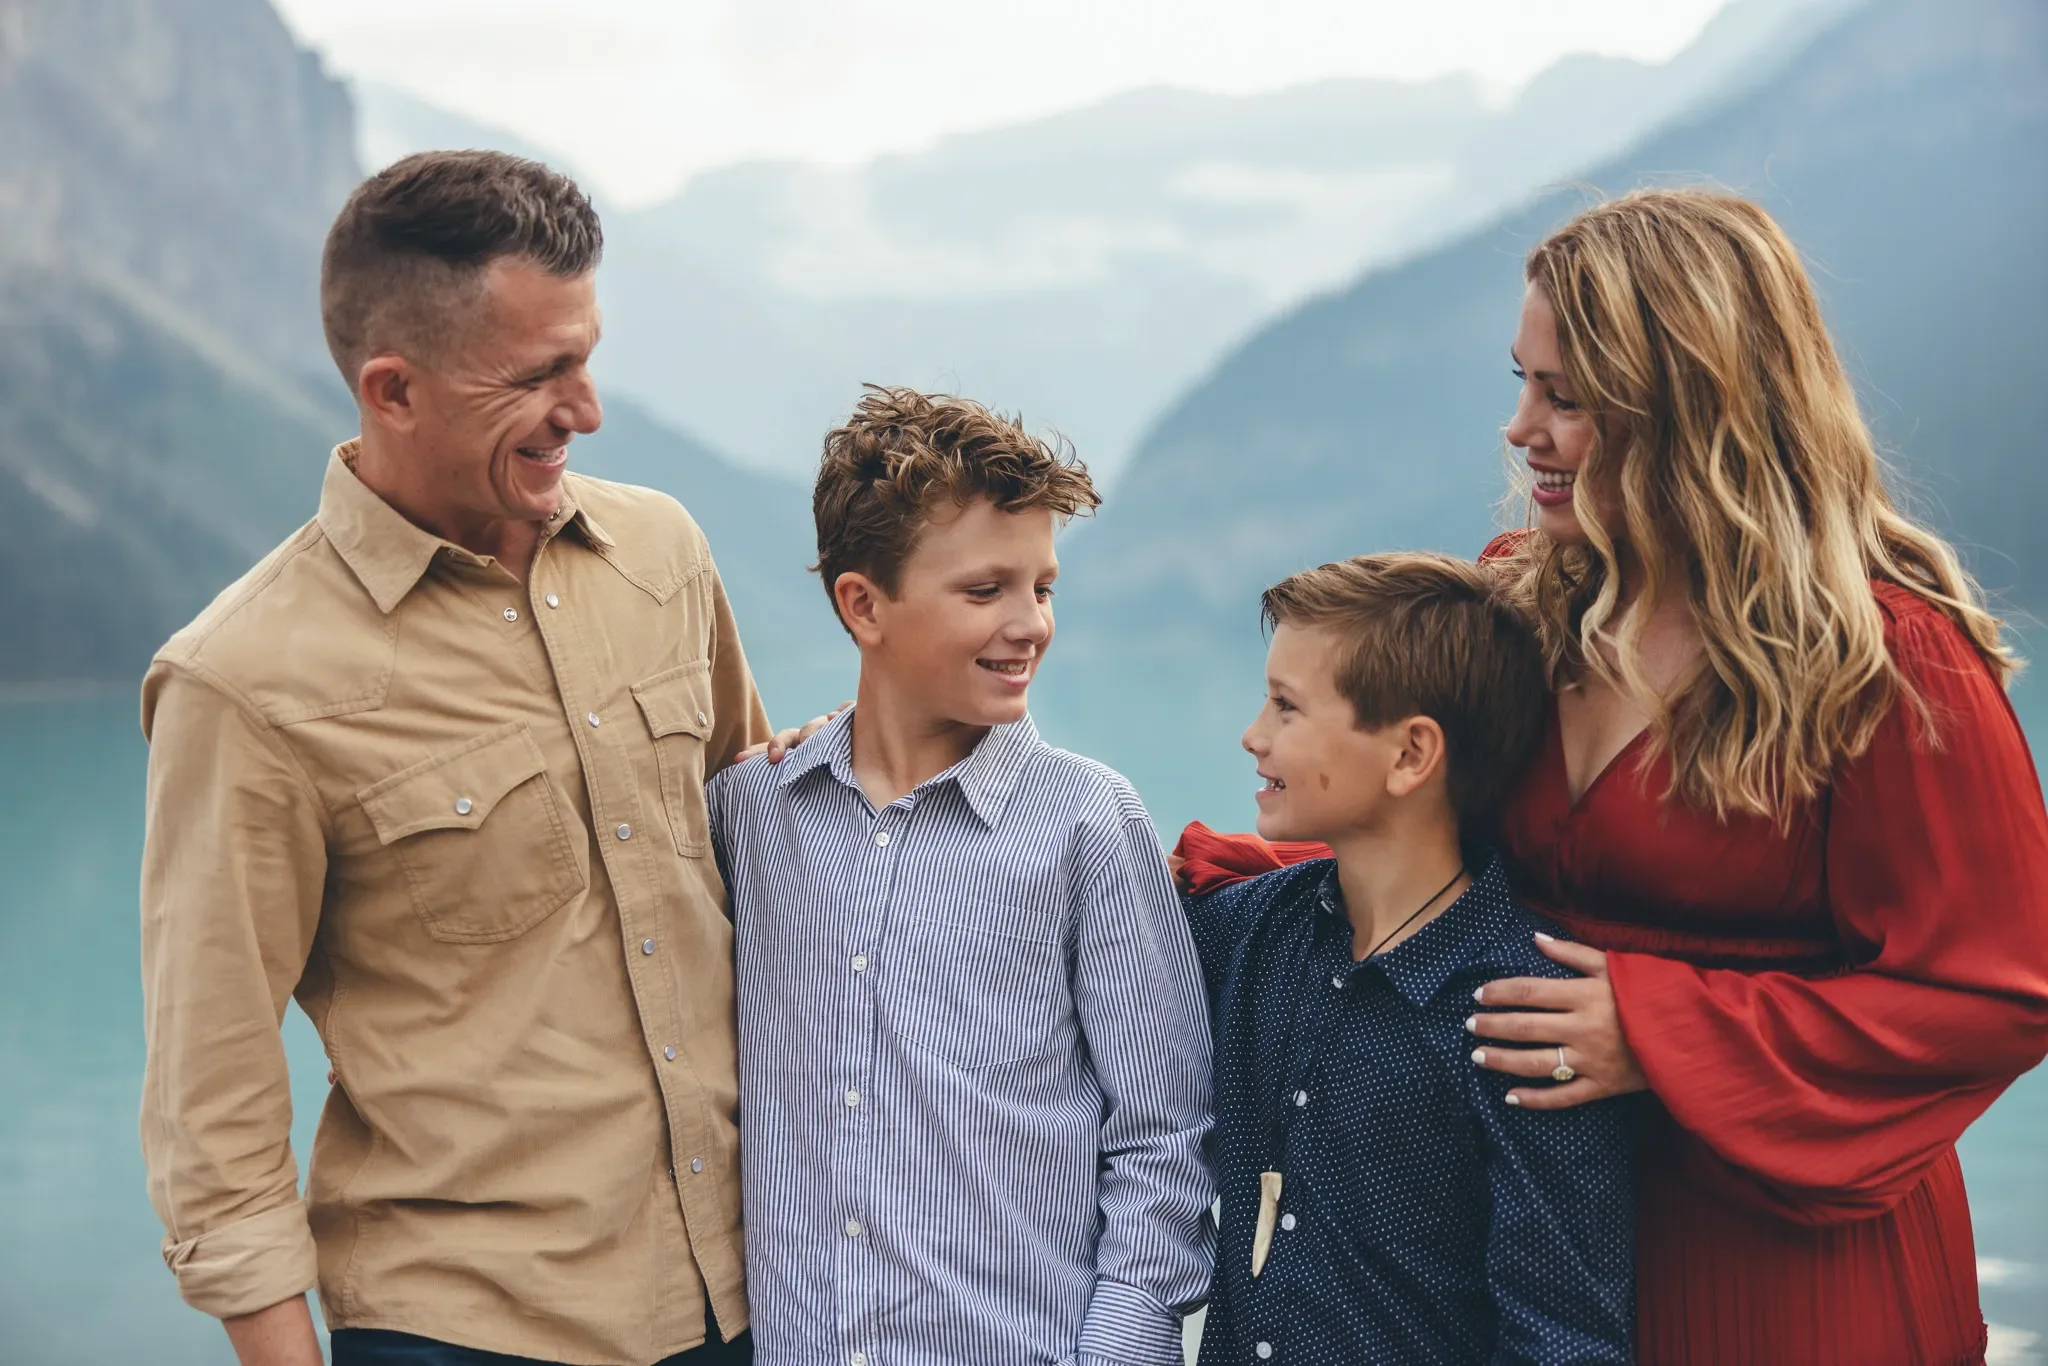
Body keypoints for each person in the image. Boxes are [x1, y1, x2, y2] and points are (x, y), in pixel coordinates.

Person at [1179, 189, 2048, 1365]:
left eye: (1564, 397)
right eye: (1519, 381)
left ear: (1684, 408)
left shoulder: (1883, 664)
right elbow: (1427, 851)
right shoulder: (1518, 605)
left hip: (1775, 1267)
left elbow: (1996, 991)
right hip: (1518, 1231)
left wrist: (1664, 1033)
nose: (1518, 427)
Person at [139, 151, 771, 1366]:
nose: (585, 409)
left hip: (752, 1295)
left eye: (584, 357)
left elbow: (765, 847)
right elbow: (209, 1102)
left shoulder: (663, 552)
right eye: (538, 376)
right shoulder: (241, 682)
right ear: (393, 388)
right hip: (463, 1329)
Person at [707, 387, 1215, 1366]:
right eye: (985, 591)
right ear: (863, 605)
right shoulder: (749, 817)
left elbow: (1164, 1143)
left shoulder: (1088, 823)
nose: (1029, 623)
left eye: (1044, 586)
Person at [1176, 553, 1634, 1365]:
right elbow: (1063, 920)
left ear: (1411, 755)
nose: (1254, 735)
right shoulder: (1253, 934)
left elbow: (1563, 1341)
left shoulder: (1526, 1013)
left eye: (1287, 707)